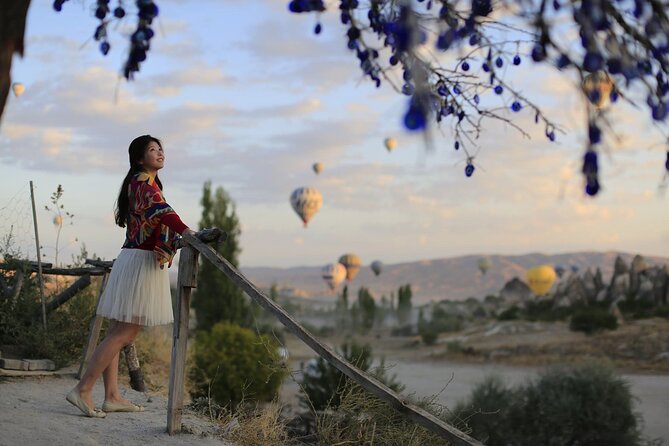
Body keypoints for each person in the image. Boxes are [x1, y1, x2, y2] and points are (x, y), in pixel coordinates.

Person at [66, 135, 195, 417]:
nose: (160, 152)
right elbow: (163, 211)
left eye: (161, 148)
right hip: (140, 262)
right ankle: (83, 389)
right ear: (139, 158)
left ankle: (111, 395)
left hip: (133, 258)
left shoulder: (144, 183)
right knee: (126, 332)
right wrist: (186, 231)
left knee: (117, 331)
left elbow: (157, 214)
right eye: (152, 149)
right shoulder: (142, 183)